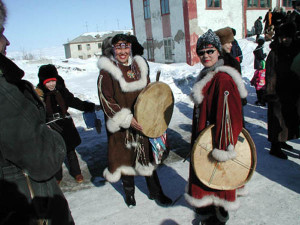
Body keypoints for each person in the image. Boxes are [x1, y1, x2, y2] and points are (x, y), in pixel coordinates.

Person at [0, 1, 74, 224]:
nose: (7, 41)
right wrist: (52, 136)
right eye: (1, 32)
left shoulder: (60, 91)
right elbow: (42, 158)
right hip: (32, 210)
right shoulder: (5, 92)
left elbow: (72, 101)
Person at [97, 34, 172, 208]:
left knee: (147, 160)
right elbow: (106, 100)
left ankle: (156, 192)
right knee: (125, 161)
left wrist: (154, 112)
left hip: (142, 122)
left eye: (125, 47)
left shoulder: (139, 67)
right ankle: (129, 194)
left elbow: (149, 95)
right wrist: (127, 119)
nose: (122, 51)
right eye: (118, 48)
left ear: (130, 47)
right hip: (122, 126)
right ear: (113, 50)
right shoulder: (107, 72)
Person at [185, 29, 248, 225]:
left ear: (218, 52)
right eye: (201, 52)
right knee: (208, 189)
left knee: (216, 186)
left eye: (210, 51)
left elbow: (232, 119)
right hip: (205, 143)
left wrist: (222, 149)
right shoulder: (208, 75)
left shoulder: (223, 79)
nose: (205, 56)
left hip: (216, 145)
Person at [36, 64, 96, 184]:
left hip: (65, 124)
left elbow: (73, 101)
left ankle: (76, 172)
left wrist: (88, 106)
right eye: (48, 82)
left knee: (70, 150)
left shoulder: (61, 91)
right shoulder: (39, 95)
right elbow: (37, 111)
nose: (51, 84)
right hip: (51, 127)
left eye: (53, 80)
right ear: (43, 82)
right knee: (55, 152)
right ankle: (57, 176)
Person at [265, 22, 300, 160]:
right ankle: (275, 147)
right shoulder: (275, 53)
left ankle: (282, 141)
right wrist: (270, 93)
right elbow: (270, 74)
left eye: (289, 37)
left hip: (291, 92)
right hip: (277, 93)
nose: (286, 40)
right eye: (284, 37)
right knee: (276, 121)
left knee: (286, 120)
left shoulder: (293, 51)